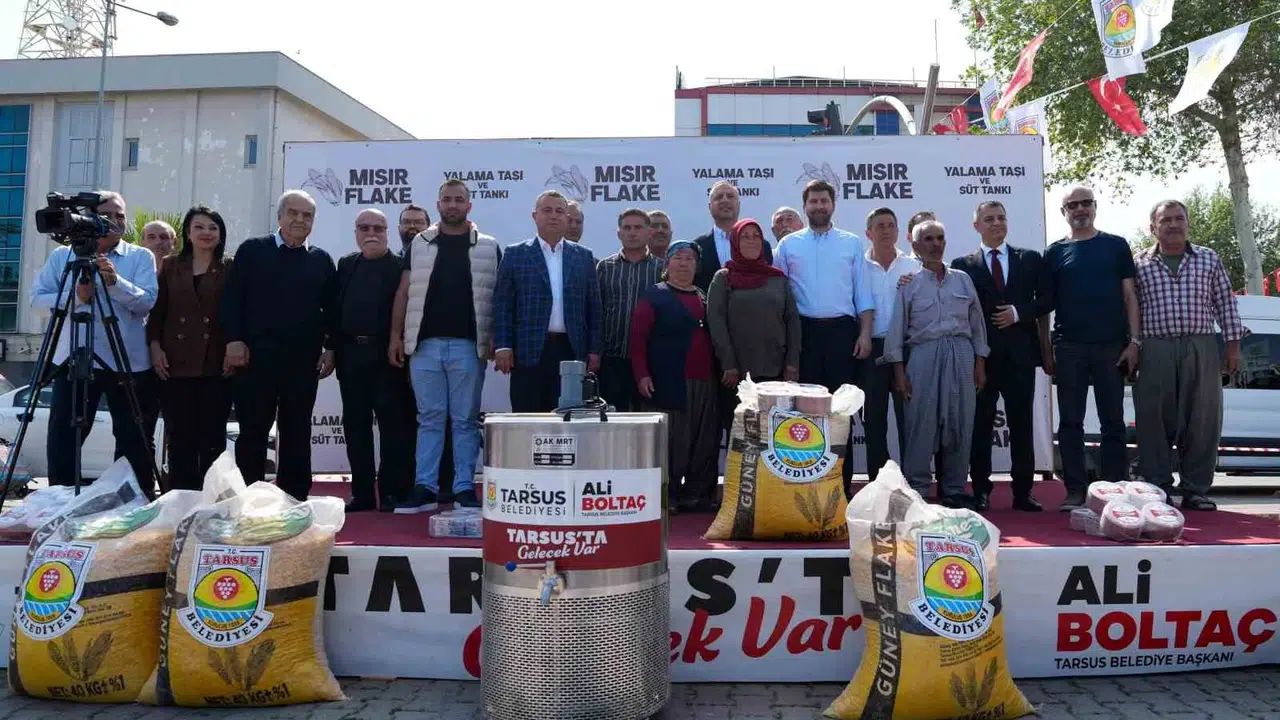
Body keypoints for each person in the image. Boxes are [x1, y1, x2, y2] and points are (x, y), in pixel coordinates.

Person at [29, 190, 159, 494]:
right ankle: (60, 501)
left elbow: (147, 303)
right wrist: (77, 296)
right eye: (107, 214)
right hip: (74, 358)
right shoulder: (63, 256)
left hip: (127, 362)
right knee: (64, 437)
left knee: (132, 437)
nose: (115, 221)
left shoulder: (140, 256)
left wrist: (116, 283)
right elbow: (36, 301)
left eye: (121, 215)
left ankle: (132, 501)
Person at [221, 189, 337, 501]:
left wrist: (330, 348)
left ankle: (294, 498)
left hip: (302, 363)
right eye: (294, 213)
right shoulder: (252, 250)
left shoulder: (322, 260)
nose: (300, 220)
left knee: (297, 431)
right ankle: (247, 498)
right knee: (253, 432)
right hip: (255, 360)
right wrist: (234, 340)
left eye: (307, 215)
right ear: (280, 216)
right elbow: (233, 298)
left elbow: (332, 312)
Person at [392, 179, 501, 512]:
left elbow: (498, 296)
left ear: (469, 205)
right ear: (438, 205)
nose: (452, 205)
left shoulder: (489, 246)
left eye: (459, 200)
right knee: (429, 419)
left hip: (469, 346)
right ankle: (425, 487)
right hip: (424, 347)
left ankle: (464, 488)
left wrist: (497, 338)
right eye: (446, 199)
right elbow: (403, 291)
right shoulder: (420, 244)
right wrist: (395, 336)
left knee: (466, 420)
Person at [1033, 185, 1140, 511]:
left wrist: (1135, 343)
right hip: (1069, 348)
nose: (1080, 209)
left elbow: (1130, 297)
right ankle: (1075, 490)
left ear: (1095, 207)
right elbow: (1043, 308)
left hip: (1112, 346)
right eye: (1072, 205)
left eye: (1085, 203)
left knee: (1113, 423)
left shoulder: (1116, 245)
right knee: (1070, 424)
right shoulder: (1054, 253)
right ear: (1063, 212)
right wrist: (1046, 350)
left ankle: (1113, 489)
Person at [1133, 200, 1244, 511]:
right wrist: (1132, 347)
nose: (1172, 224)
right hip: (1155, 348)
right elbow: (1130, 309)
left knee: (1202, 418)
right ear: (1152, 227)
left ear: (1188, 223)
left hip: (1201, 346)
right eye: (1165, 220)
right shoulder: (1139, 263)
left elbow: (1225, 303)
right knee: (1153, 420)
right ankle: (1158, 489)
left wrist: (1233, 346)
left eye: (1178, 218)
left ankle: (1196, 490)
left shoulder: (1208, 258)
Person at [774, 179, 876, 488]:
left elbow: (864, 294)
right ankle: (807, 486)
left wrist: (866, 334)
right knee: (805, 414)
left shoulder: (851, 243)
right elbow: (780, 298)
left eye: (824, 201)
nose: (819, 206)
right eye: (813, 202)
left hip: (843, 335)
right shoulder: (788, 245)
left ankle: (841, 488)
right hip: (804, 335)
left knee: (840, 414)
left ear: (833, 205)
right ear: (804, 206)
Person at [951, 201, 1048, 512]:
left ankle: (1024, 492)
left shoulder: (1030, 259)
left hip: (1020, 356)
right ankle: (980, 490)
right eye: (989, 219)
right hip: (982, 358)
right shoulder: (962, 265)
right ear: (976, 226)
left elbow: (1048, 298)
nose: (996, 223)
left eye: (1001, 218)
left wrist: (1019, 313)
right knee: (980, 426)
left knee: (1022, 425)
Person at [885, 219, 989, 508]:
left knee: (960, 423)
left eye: (939, 238)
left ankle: (954, 489)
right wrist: (899, 372)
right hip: (923, 355)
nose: (935, 244)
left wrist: (979, 363)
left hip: (962, 353)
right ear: (915, 246)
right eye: (927, 239)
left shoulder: (962, 279)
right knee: (921, 423)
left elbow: (977, 323)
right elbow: (897, 329)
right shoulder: (909, 283)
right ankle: (917, 489)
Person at [332, 209, 414, 513]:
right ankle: (362, 494)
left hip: (388, 358)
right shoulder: (346, 265)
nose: (371, 233)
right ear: (355, 231)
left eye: (378, 228)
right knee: (355, 427)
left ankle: (392, 491)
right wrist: (331, 348)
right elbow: (334, 311)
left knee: (394, 428)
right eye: (364, 227)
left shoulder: (400, 266)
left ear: (388, 232)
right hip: (350, 356)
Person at [146, 204, 232, 491]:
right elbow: (158, 311)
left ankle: (212, 498)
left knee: (212, 439)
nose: (206, 233)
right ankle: (179, 498)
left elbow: (237, 313)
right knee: (179, 436)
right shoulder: (171, 266)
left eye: (213, 227)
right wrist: (154, 346)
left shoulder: (230, 267)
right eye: (199, 227)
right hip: (174, 362)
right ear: (187, 232)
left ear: (221, 234)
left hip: (216, 364)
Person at [630, 241, 719, 513]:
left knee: (703, 438)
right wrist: (641, 374)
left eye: (689, 259)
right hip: (669, 380)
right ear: (666, 264)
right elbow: (637, 338)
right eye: (678, 258)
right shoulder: (655, 296)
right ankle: (666, 496)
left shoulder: (704, 296)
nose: (683, 263)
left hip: (705, 382)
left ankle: (697, 494)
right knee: (672, 440)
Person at [493, 190, 601, 413]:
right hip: (528, 349)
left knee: (568, 417)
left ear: (567, 218)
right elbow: (503, 303)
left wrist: (594, 350)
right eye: (547, 210)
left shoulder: (583, 256)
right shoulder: (516, 254)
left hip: (571, 350)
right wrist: (503, 345)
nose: (553, 216)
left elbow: (594, 307)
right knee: (527, 416)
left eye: (559, 211)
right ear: (535, 216)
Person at [861, 208, 920, 482]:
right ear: (868, 233)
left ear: (898, 231)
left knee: (909, 417)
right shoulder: (858, 267)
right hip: (871, 350)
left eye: (891, 225)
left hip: (906, 352)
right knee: (873, 421)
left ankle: (913, 479)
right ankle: (878, 481)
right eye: (880, 226)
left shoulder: (913, 267)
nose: (886, 230)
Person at [706, 218, 799, 384]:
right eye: (745, 236)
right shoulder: (724, 277)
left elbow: (792, 321)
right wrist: (729, 364)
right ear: (734, 242)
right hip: (737, 373)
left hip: (776, 370)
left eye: (756, 236)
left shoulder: (777, 278)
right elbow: (716, 323)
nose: (752, 241)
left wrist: (792, 363)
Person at [596, 208, 664, 411]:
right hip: (611, 359)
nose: (632, 232)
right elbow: (595, 313)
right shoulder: (604, 267)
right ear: (619, 233)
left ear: (648, 232)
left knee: (649, 422)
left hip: (650, 361)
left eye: (638, 227)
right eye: (627, 228)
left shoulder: (662, 269)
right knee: (613, 421)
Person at [693, 181, 773, 291]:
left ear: (739, 205)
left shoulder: (762, 246)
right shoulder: (697, 246)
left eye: (730, 196)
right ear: (709, 207)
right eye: (719, 197)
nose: (725, 200)